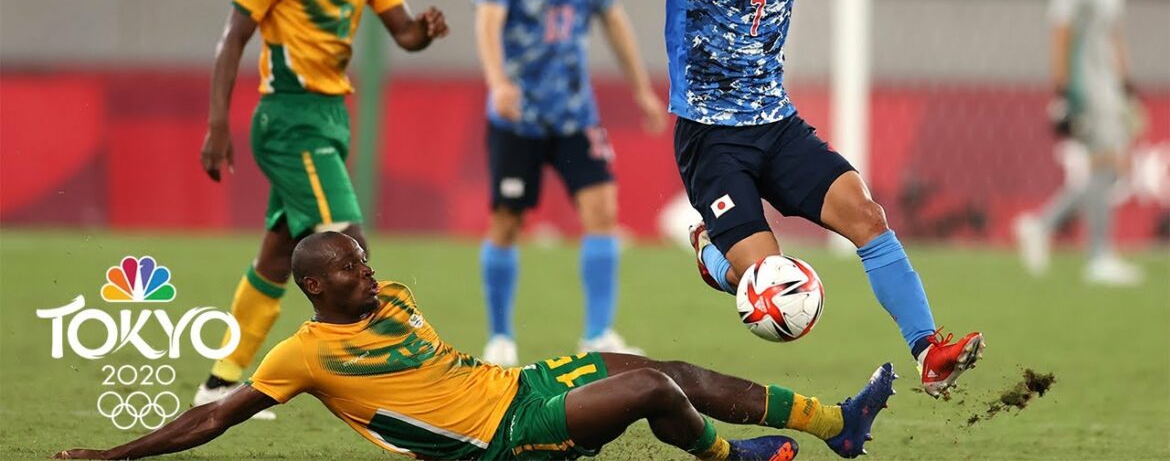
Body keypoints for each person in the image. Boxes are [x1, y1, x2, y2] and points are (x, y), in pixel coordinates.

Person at [455, 0, 1012, 397]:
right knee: (765, 282)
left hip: (778, 126)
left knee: (867, 218)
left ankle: (928, 351)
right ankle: (713, 255)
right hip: (711, 139)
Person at [55, 231, 895, 461]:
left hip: (515, 387)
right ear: (316, 288)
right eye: (351, 268)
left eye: (364, 258)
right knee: (649, 398)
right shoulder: (302, 354)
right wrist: (109, 455)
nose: (368, 271)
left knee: (666, 368)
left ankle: (835, 423)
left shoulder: (392, 297)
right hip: (499, 442)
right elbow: (211, 422)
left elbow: (442, 370)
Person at [194, 0, 449, 415]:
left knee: (277, 256)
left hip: (332, 116)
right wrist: (217, 122)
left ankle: (220, 381)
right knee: (350, 244)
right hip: (289, 117)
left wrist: (426, 31)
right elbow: (233, 37)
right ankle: (382, 370)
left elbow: (403, 33)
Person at [474, 0, 667, 366]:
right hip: (518, 114)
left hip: (577, 113)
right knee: (507, 220)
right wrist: (497, 83)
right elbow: (488, 22)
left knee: (602, 211)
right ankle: (499, 338)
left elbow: (614, 23)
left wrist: (643, 89)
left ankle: (598, 333)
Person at [1013, 0, 1144, 286]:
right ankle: (1098, 255)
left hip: (1110, 89)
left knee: (1110, 167)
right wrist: (1063, 92)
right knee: (1108, 165)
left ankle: (1041, 225)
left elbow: (1115, 35)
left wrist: (1127, 86)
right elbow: (1062, 33)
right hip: (1087, 88)